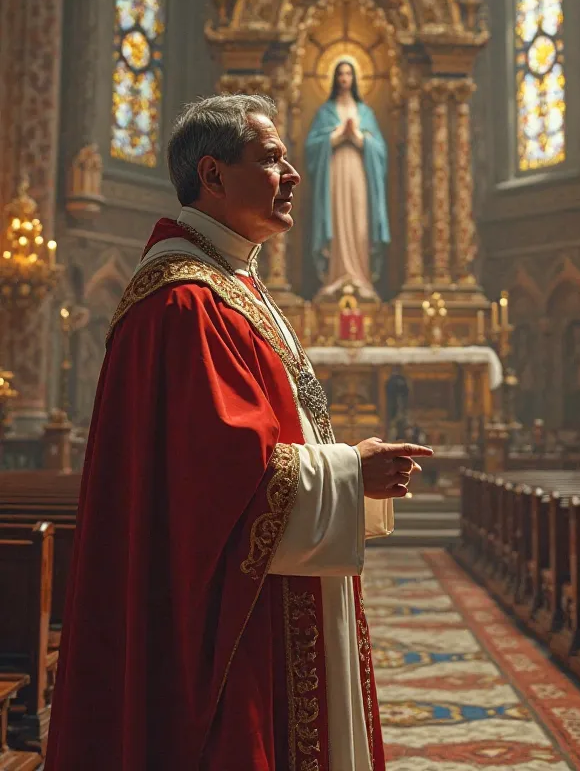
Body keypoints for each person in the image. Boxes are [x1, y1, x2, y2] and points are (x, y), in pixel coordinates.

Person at [45, 94, 431, 771]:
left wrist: (346, 471)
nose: (292, 174)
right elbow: (216, 484)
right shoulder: (184, 302)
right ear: (212, 175)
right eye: (272, 157)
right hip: (235, 635)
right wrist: (348, 473)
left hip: (273, 602)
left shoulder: (227, 284)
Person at [305, 60, 390, 298]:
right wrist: (337, 136)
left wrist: (360, 139)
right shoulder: (325, 112)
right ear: (335, 78)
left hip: (359, 173)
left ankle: (360, 277)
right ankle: (336, 276)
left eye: (349, 73)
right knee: (338, 218)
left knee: (359, 220)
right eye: (340, 73)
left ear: (354, 78)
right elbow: (312, 147)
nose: (344, 78)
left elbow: (380, 151)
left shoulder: (365, 112)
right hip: (334, 173)